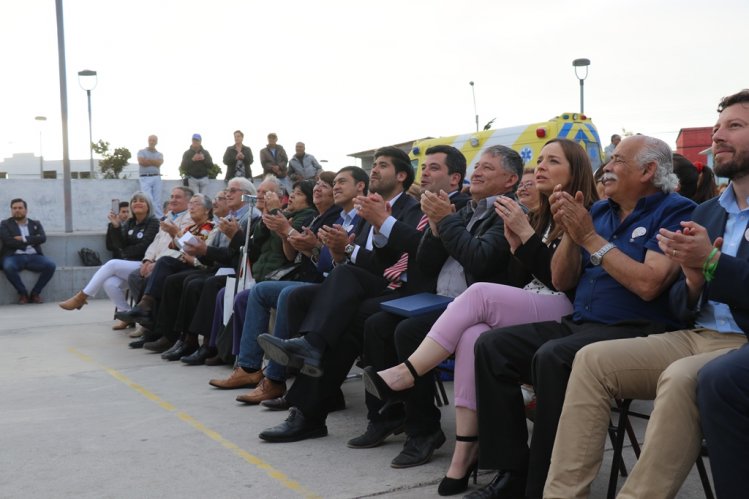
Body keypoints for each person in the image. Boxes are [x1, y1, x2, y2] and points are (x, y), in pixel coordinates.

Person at [362, 139, 598, 495]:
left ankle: (407, 372)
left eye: (552, 161)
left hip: (564, 306)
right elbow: (518, 275)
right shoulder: (539, 212)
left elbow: (558, 282)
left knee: (479, 294)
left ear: (575, 171)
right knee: (474, 336)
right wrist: (445, 226)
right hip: (528, 301)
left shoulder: (579, 210)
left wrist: (522, 238)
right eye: (540, 160)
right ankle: (465, 449)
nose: (540, 169)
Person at [545, 90, 749, 499]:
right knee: (590, 360)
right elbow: (679, 302)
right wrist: (692, 281)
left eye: (735, 126)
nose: (718, 137)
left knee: (679, 378)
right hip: (697, 335)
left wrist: (709, 265)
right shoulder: (708, 212)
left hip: (740, 343)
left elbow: (650, 285)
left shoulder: (680, 208)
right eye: (716, 128)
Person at [467, 135, 696, 499]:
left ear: (649, 170)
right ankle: (512, 469)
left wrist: (588, 237)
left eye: (618, 159)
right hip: (583, 323)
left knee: (553, 357)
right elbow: (561, 280)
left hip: (638, 331)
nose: (606, 168)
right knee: (493, 346)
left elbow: (650, 285)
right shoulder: (600, 211)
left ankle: (542, 486)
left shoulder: (675, 210)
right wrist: (573, 232)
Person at [356, 144, 529, 474]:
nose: (476, 172)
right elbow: (425, 261)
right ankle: (393, 412)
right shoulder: (469, 210)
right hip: (443, 300)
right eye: (477, 166)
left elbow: (480, 259)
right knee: (378, 323)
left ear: (510, 180)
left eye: (487, 169)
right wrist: (437, 228)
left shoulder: (506, 210)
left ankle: (423, 431)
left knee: (408, 332)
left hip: (479, 307)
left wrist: (445, 221)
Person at [256, 146, 423, 443]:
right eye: (374, 165)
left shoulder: (412, 209)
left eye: (382, 165)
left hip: (395, 289)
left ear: (401, 175)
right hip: (362, 285)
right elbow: (354, 261)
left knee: (347, 318)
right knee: (300, 298)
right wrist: (338, 251)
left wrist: (348, 250)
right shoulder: (365, 211)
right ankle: (312, 374)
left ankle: (308, 403)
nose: (374, 169)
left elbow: (395, 264)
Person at [208, 170, 354, 401]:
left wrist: (289, 230)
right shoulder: (320, 217)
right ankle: (248, 367)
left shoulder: (325, 216)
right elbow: (289, 252)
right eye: (321, 184)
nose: (320, 188)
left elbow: (322, 260)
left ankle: (274, 378)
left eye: (327, 185)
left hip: (317, 282)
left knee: (283, 294)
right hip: (300, 276)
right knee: (256, 291)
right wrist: (287, 234)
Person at [59, 192, 160, 329]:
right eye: (134, 200)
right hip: (128, 264)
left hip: (145, 264)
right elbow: (119, 245)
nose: (137, 203)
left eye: (142, 200)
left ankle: (81, 297)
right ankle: (126, 314)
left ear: (148, 206)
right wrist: (116, 226)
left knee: (112, 264)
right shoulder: (130, 222)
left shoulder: (153, 222)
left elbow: (144, 247)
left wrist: (126, 251)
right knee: (109, 283)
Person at [116, 194, 215, 331]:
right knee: (155, 271)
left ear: (207, 210)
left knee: (164, 270)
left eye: (196, 204)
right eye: (190, 203)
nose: (191, 207)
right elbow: (174, 246)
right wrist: (173, 235)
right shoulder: (189, 228)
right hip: (182, 261)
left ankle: (147, 313)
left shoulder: (211, 227)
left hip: (197, 265)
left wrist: (176, 233)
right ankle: (147, 318)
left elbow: (197, 248)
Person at [0, 198, 56, 304]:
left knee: (51, 265)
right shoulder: (5, 224)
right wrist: (31, 241)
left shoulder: (35, 223)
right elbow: (8, 241)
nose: (17, 210)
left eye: (20, 208)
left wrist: (23, 238)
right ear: (11, 210)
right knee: (8, 266)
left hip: (34, 257)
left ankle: (35, 293)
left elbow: (42, 238)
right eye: (14, 208)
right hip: (13, 257)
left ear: (26, 210)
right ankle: (23, 294)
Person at [137, 135, 164, 218]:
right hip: (145, 177)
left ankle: (159, 219)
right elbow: (142, 162)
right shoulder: (141, 152)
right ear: (148, 141)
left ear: (156, 142)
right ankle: (150, 217)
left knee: (157, 200)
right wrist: (154, 162)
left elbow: (159, 163)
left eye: (154, 140)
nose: (152, 142)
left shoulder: (159, 154)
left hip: (156, 177)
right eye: (150, 140)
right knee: (148, 199)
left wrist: (147, 160)